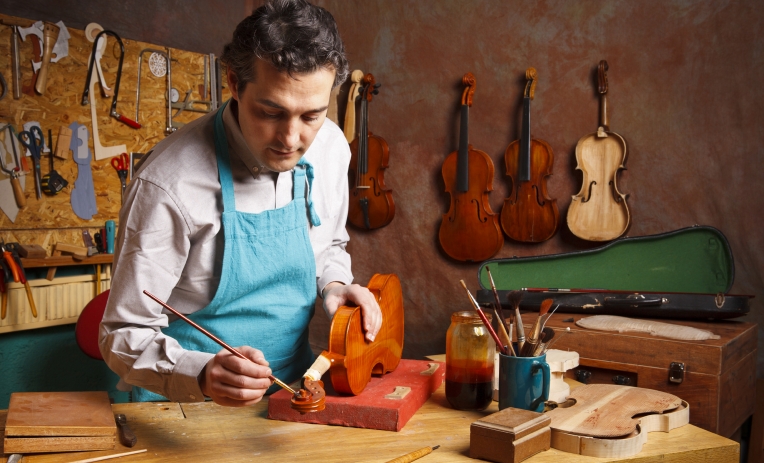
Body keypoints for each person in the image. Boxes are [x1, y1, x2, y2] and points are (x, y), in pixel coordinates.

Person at [99, 0, 382, 407]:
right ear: (234, 82)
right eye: (271, 112)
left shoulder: (331, 147)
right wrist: (200, 374)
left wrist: (335, 285)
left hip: (294, 397)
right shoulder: (168, 184)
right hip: (188, 406)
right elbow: (122, 334)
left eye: (311, 116)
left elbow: (330, 246)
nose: (291, 139)